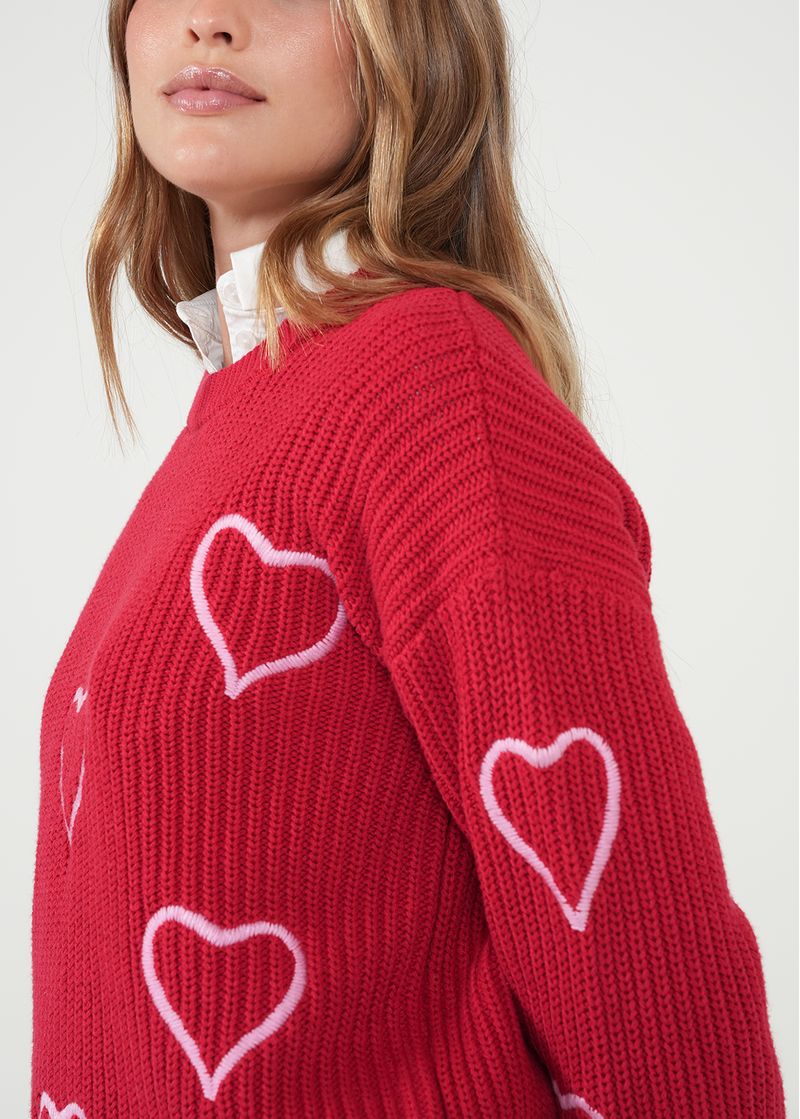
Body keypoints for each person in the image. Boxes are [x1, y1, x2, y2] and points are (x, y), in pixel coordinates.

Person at [31, 0, 786, 1116]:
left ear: (412, 41)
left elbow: (629, 929)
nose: (208, 22)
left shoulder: (430, 386)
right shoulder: (244, 410)